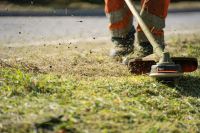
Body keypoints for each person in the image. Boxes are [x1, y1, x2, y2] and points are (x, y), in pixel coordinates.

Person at [104, 0, 170, 63]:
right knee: (114, 2)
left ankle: (148, 45)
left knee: (154, 3)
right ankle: (121, 40)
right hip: (120, 33)